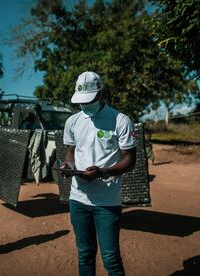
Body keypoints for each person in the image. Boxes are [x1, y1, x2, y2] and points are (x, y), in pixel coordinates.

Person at [61, 71, 136, 276]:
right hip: (78, 199)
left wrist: (103, 172)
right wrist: (68, 167)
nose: (84, 105)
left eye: (89, 100)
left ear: (101, 94)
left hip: (107, 201)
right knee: (84, 254)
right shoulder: (72, 121)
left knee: (110, 258)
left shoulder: (120, 120)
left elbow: (130, 158)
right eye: (81, 102)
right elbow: (70, 153)